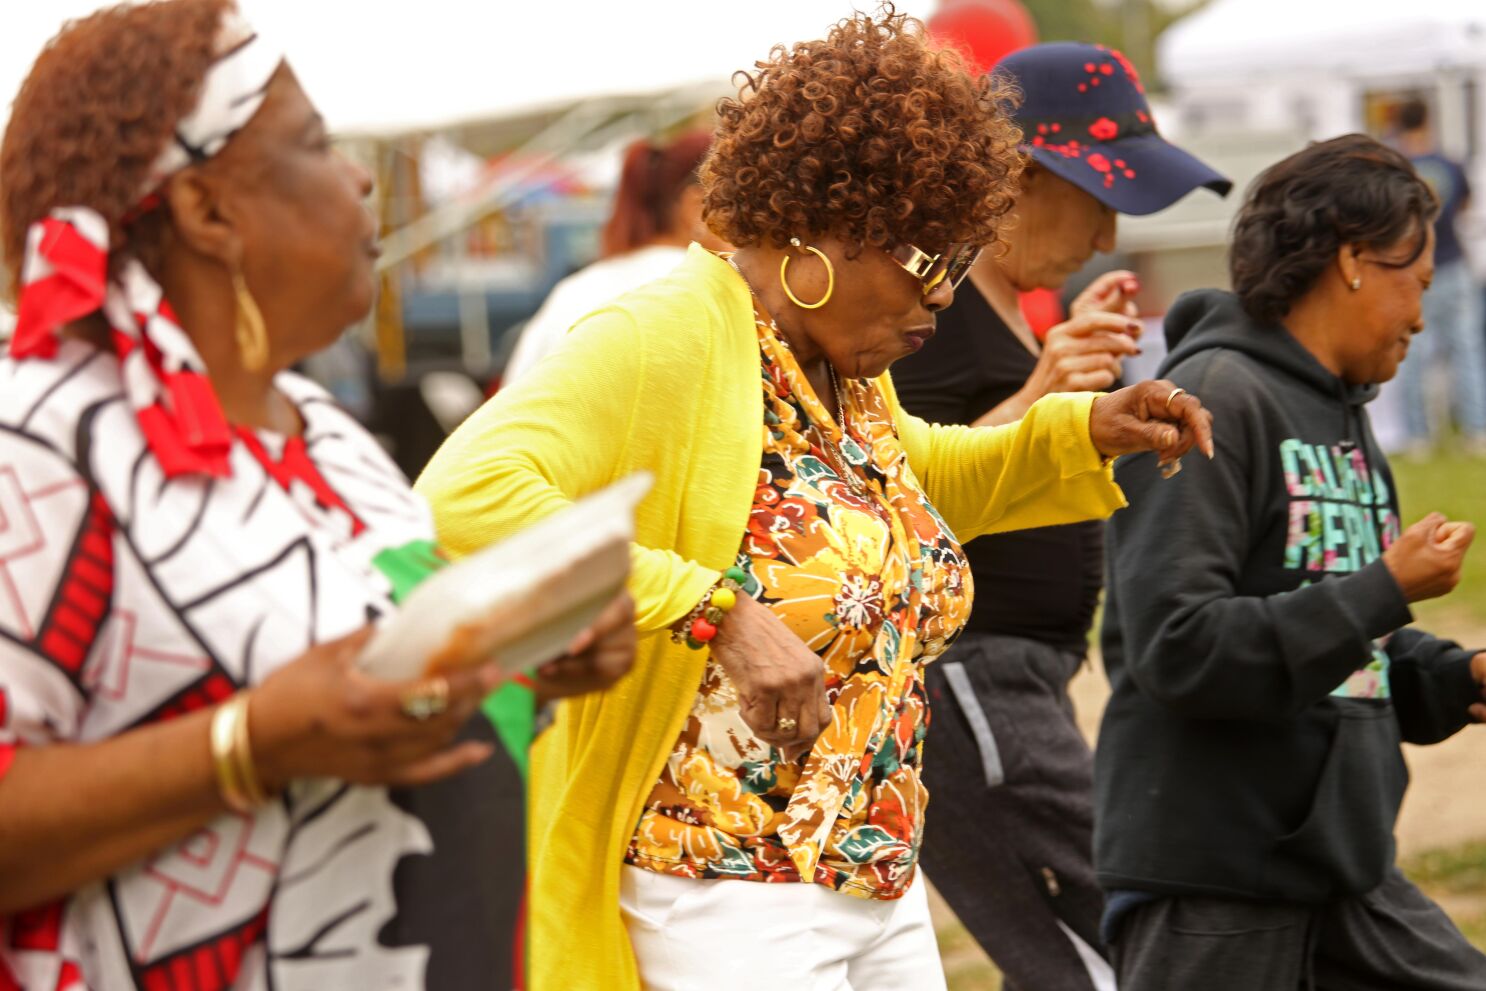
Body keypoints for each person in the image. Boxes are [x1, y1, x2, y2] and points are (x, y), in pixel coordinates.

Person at [415, 11, 1215, 991]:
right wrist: (714, 609)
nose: (942, 300)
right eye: (929, 264)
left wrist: (1082, 429)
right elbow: (462, 493)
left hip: (869, 867)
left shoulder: (837, 370)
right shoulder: (661, 333)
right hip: (723, 883)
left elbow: (911, 486)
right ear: (829, 229)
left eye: (960, 264)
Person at [0, 3, 634, 988]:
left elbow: (359, 698)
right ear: (207, 211)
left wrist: (522, 660)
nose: (359, 178)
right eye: (314, 144)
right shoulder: (42, 439)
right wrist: (247, 745)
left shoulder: (326, 435)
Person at [1096, 134, 1486, 990]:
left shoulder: (1347, 416)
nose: (1423, 316)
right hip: (1216, 878)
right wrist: (1386, 586)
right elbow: (1178, 646)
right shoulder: (1210, 403)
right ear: (1352, 261)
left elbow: (1345, 654)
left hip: (1339, 868)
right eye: (1417, 283)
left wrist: (1457, 678)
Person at [890, 40, 1230, 991]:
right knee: (1117, 946)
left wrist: (1069, 380)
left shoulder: (1001, 301)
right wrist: (1043, 390)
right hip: (970, 674)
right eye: (1099, 198)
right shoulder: (925, 310)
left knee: (1069, 951)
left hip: (1014, 679)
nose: (1109, 233)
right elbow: (881, 501)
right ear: (1018, 177)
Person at [501, 131, 727, 384]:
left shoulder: (574, 290)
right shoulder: (707, 287)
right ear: (696, 206)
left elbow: (513, 394)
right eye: (738, 204)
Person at [1392, 97, 1486, 455]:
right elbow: (1464, 205)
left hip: (1412, 270)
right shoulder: (1450, 163)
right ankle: (1476, 429)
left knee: (1412, 354)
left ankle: (1418, 435)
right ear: (1427, 121)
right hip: (1454, 264)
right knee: (1467, 350)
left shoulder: (1397, 168)